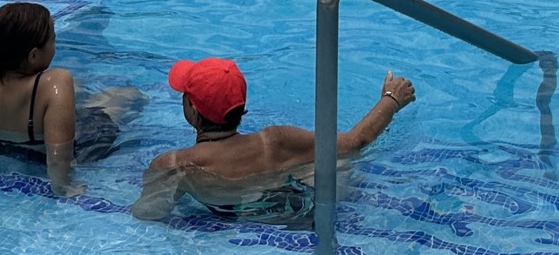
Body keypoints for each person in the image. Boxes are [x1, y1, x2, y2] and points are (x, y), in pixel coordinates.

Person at [132, 58, 415, 224]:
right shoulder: (277, 142)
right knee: (338, 168)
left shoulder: (175, 164)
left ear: (192, 111)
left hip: (241, 217)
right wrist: (391, 99)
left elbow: (148, 213)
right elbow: (357, 141)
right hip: (305, 211)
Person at [0, 1, 144, 197]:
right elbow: (59, 157)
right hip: (54, 151)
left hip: (2, 147)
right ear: (33, 55)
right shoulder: (56, 82)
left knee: (78, 87)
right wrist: (63, 186)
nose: (54, 46)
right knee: (129, 96)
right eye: (53, 40)